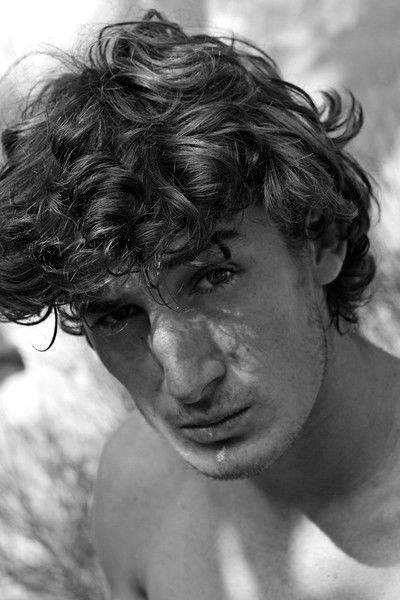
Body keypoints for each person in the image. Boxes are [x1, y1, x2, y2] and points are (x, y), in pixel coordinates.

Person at [1, 9, 400, 599]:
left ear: (322, 241)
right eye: (117, 315)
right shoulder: (137, 491)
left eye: (214, 277)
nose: (187, 381)